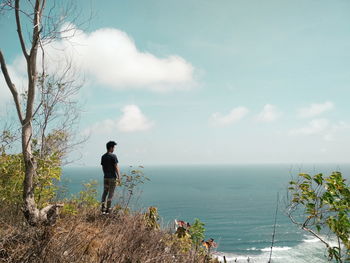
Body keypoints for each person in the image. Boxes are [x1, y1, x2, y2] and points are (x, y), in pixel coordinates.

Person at [100, 140, 121, 214]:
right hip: (112, 178)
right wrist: (119, 177)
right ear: (111, 148)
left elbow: (103, 167)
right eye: (113, 147)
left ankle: (103, 209)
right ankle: (108, 210)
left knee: (105, 193)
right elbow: (116, 167)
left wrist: (105, 174)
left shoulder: (103, 156)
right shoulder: (113, 156)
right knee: (110, 194)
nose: (114, 149)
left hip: (105, 177)